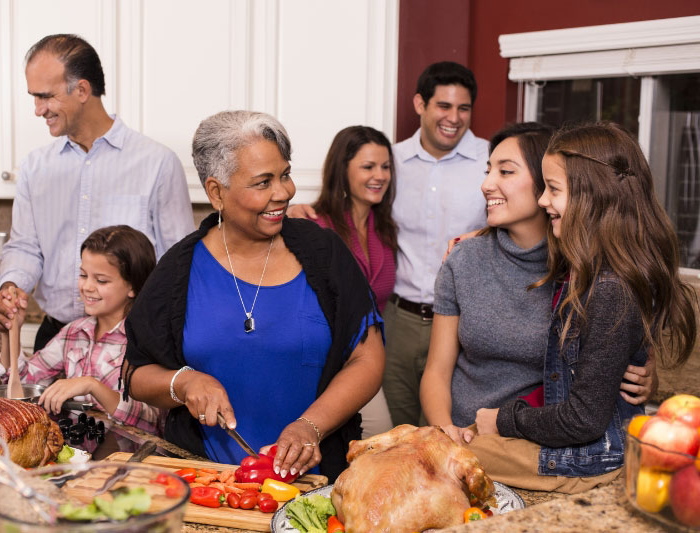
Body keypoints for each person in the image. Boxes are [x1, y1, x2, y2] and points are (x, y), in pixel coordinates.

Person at [122, 111, 385, 481]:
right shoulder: (178, 269)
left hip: (318, 480)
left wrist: (311, 426)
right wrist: (184, 382)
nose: (283, 192)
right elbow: (136, 373)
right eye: (263, 182)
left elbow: (367, 357)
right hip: (210, 484)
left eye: (285, 175)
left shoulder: (324, 253)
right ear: (216, 192)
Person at [468, 122, 697, 493]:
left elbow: (583, 420)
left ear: (594, 198)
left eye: (554, 190)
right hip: (581, 448)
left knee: (446, 456)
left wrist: (504, 420)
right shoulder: (586, 271)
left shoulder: (610, 289)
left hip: (588, 458)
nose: (543, 201)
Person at [420, 123, 656, 449]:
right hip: (465, 437)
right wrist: (446, 432)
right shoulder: (463, 258)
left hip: (539, 445)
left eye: (506, 172)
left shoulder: (583, 268)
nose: (487, 184)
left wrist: (641, 373)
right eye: (488, 171)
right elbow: (436, 371)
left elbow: (602, 368)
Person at [288, 62, 489, 426]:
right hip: (396, 324)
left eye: (464, 108)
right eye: (443, 106)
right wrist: (290, 210)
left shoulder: (491, 164)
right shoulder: (394, 157)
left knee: (452, 430)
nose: (454, 117)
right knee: (398, 432)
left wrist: (483, 233)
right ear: (420, 105)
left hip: (463, 321)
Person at [0, 34, 194, 351]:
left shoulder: (157, 164)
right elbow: (26, 247)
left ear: (82, 90)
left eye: (46, 97)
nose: (38, 110)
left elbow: (176, 265)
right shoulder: (34, 167)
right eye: (34, 98)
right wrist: (11, 287)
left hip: (129, 342)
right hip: (54, 338)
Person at [0, 225, 160, 433]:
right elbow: (21, 384)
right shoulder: (74, 333)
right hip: (80, 453)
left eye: (101, 280)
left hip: (129, 457)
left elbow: (153, 420)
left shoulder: (145, 340)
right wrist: (10, 330)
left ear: (133, 286)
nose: (87, 287)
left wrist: (92, 386)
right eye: (83, 275)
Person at [309, 125, 396, 438]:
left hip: (366, 361)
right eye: (368, 166)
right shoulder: (313, 225)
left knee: (378, 442)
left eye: (385, 167)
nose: (380, 175)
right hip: (322, 364)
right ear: (341, 171)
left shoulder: (384, 228)